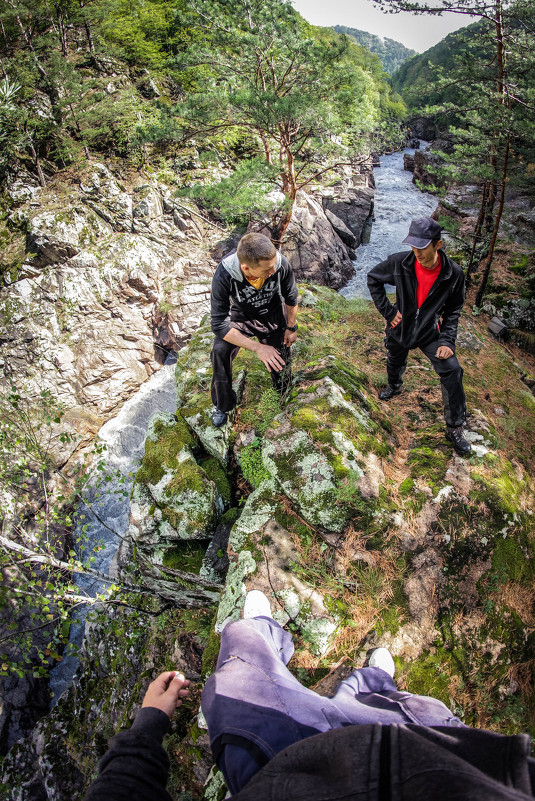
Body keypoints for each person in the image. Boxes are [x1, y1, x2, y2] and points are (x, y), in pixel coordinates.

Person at [85, 590, 535, 800]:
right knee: (408, 709)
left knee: (233, 670)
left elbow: (120, 795)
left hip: (280, 771)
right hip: (417, 755)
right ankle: (376, 684)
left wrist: (148, 725)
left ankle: (264, 634)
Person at [367, 216, 472, 456]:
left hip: (429, 333)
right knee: (395, 358)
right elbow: (373, 279)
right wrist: (388, 311)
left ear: (438, 245)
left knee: (452, 370)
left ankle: (455, 427)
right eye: (413, 246)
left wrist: (446, 341)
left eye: (422, 247)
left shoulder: (453, 274)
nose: (417, 253)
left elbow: (454, 309)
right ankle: (395, 385)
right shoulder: (400, 263)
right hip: (400, 327)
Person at [210, 232, 298, 427]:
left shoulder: (280, 265)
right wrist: (258, 348)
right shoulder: (225, 274)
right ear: (246, 268)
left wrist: (291, 326)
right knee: (219, 351)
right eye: (267, 269)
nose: (273, 271)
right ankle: (223, 404)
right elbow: (219, 324)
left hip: (273, 314)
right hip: (241, 316)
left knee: (281, 359)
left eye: (274, 265)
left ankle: (283, 394)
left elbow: (291, 297)